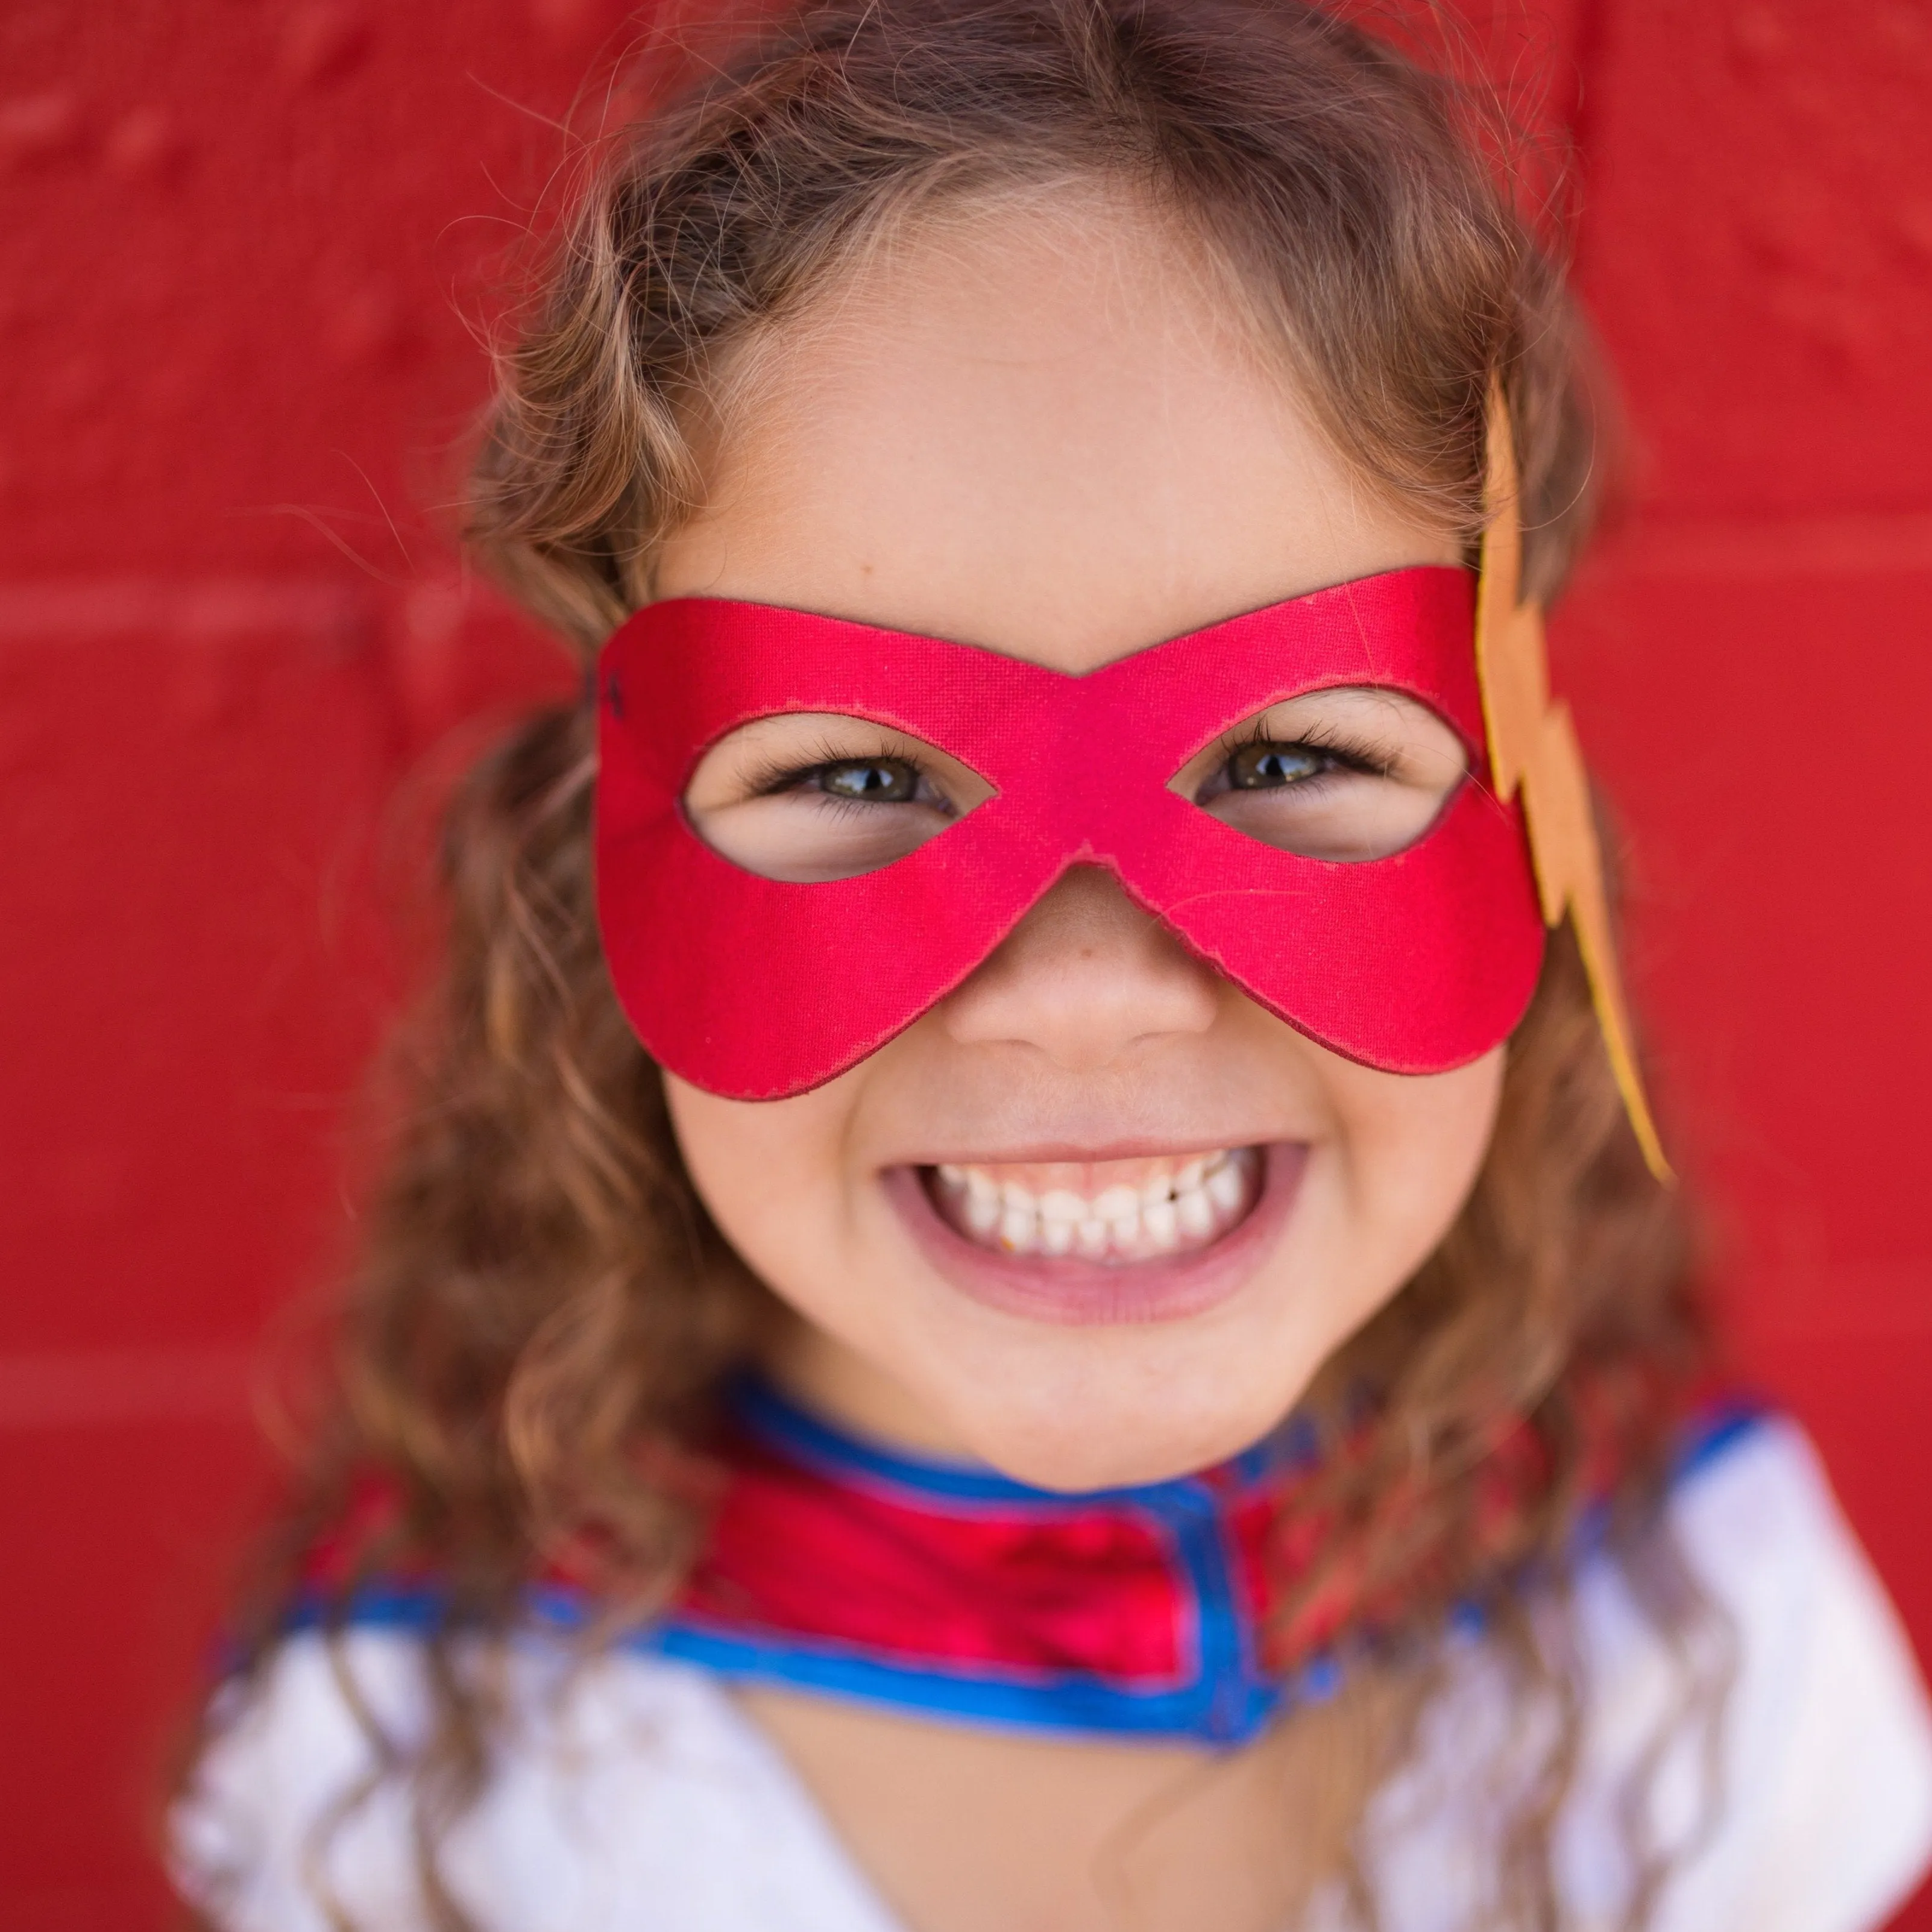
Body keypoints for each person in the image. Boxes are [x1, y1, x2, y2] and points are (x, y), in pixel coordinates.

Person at [172, 1, 1932, 1927]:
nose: (1084, 989)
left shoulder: (1696, 1649)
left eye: (1289, 757)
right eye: (850, 771)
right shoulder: (417, 1766)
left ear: (1532, 824)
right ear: (598, 845)